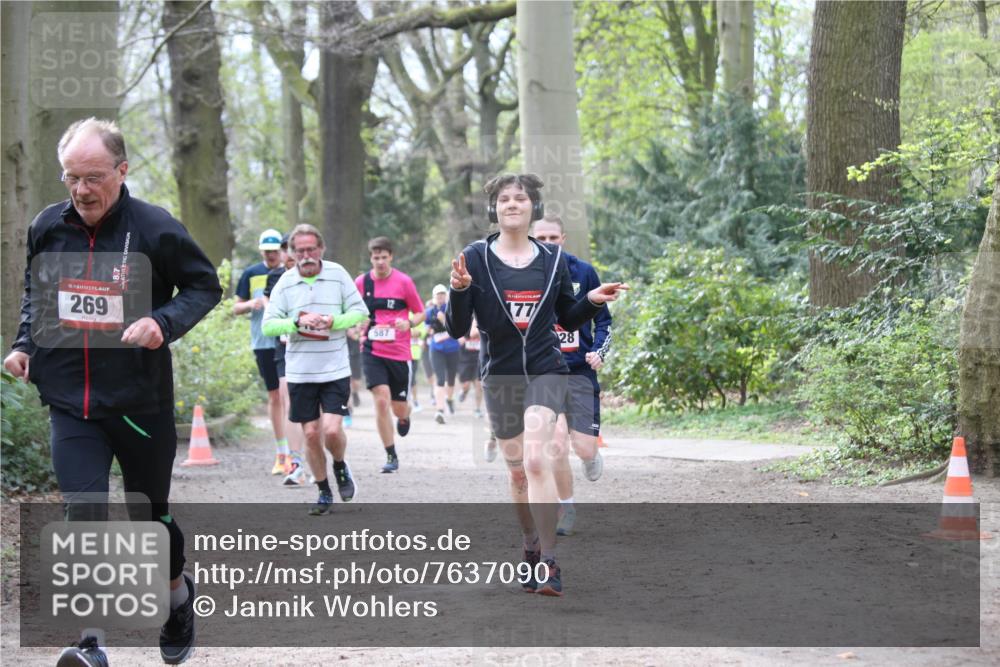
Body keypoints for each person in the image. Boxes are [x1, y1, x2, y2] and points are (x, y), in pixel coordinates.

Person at [3, 118, 222, 665]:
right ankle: (91, 643)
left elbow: (204, 285)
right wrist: (25, 342)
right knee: (85, 509)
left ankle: (176, 601)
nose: (81, 190)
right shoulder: (47, 226)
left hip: (138, 402)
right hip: (69, 403)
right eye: (71, 178)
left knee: (150, 517)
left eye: (94, 176)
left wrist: (163, 323)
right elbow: (37, 290)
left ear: (122, 171)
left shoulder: (155, 228)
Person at [446, 173, 627, 597]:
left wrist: (592, 301)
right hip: (501, 375)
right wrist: (458, 291)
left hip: (546, 369)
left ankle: (549, 562)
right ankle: (528, 547)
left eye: (520, 199)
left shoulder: (552, 258)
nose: (512, 204)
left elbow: (566, 316)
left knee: (537, 462)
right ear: (495, 208)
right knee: (518, 477)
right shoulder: (475, 258)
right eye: (504, 199)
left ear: (533, 208)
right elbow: (457, 327)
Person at [262, 224, 367, 515]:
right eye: (300, 251)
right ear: (292, 254)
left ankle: (340, 465)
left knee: (332, 431)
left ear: (320, 249)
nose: (306, 255)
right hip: (300, 371)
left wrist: (333, 321)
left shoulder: (337, 274)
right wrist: (296, 324)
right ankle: (323, 490)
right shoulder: (284, 283)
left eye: (311, 249)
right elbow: (268, 325)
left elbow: (360, 312)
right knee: (310, 434)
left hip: (334, 367)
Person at [532, 215, 611, 536]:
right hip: (545, 370)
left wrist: (599, 352)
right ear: (533, 240)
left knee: (584, 448)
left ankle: (591, 456)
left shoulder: (583, 272)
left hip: (579, 371)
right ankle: (567, 507)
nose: (548, 243)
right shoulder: (525, 275)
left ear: (563, 239)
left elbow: (604, 320)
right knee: (555, 444)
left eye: (554, 238)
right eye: (542, 238)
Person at [354, 237, 425, 474]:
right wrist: (355, 327)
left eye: (384, 257)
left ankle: (405, 417)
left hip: (399, 352)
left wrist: (408, 323)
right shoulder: (362, 283)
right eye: (376, 258)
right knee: (381, 399)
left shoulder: (403, 282)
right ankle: (391, 454)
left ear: (391, 257)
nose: (380, 262)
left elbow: (420, 313)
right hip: (372, 350)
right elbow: (351, 314)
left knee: (398, 408)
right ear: (371, 258)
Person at [234, 227, 289, 476]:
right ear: (261, 251)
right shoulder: (251, 273)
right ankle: (281, 453)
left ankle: (296, 452)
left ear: (281, 250)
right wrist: (250, 304)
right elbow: (235, 307)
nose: (270, 256)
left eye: (274, 251)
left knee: (290, 394)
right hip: (262, 342)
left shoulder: (289, 272)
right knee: (275, 396)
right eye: (266, 252)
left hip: (288, 341)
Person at [262, 234, 307, 487]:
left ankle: (314, 455)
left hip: (314, 349)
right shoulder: (275, 278)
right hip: (284, 346)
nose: (290, 257)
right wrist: (283, 322)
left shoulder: (317, 278)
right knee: (286, 396)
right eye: (287, 253)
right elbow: (270, 309)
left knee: (313, 411)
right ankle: (294, 461)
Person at [425, 284, 461, 424]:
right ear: (434, 298)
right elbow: (425, 328)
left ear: (446, 297)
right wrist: (428, 329)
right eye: (437, 296)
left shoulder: (452, 309)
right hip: (436, 349)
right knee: (440, 379)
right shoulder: (429, 312)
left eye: (442, 296)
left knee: (451, 379)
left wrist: (444, 320)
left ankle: (450, 399)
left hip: (452, 349)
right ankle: (439, 411)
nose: (440, 298)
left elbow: (457, 328)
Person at [457, 317, 484, 419]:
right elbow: (459, 340)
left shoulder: (483, 321)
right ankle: (464, 391)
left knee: (479, 385)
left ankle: (477, 409)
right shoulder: (465, 322)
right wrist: (466, 336)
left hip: (479, 358)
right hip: (465, 359)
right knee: (466, 385)